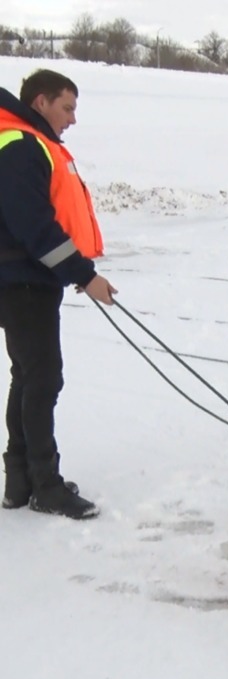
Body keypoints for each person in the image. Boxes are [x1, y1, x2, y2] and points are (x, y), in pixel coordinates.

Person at [0, 69, 117, 519]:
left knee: (29, 376)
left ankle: (21, 480)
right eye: (66, 107)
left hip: (27, 278)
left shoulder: (28, 142)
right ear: (40, 102)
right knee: (43, 378)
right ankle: (44, 485)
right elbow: (34, 226)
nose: (71, 119)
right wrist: (84, 274)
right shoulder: (20, 145)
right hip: (22, 279)